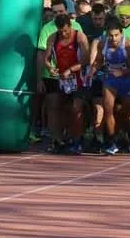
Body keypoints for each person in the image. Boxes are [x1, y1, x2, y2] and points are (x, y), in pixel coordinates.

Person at [90, 19, 130, 155]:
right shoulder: (103, 44)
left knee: (127, 111)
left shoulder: (128, 45)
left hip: (127, 80)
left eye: (116, 35)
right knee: (108, 109)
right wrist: (93, 70)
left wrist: (123, 72)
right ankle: (112, 141)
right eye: (111, 35)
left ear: (121, 33)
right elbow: (98, 61)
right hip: (110, 80)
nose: (113, 39)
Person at [40, 14, 91, 155]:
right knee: (57, 106)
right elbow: (46, 59)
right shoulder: (53, 37)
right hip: (63, 78)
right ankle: (59, 139)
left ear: (70, 26)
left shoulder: (79, 37)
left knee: (76, 108)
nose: (63, 33)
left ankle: (78, 140)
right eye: (61, 31)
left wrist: (71, 69)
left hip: (79, 77)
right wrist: (50, 68)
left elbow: (86, 60)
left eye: (66, 31)